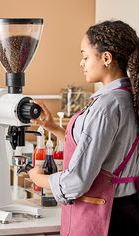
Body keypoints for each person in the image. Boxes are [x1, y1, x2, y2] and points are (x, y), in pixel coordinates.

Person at [28, 20, 139, 236]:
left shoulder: (106, 106)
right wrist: (52, 127)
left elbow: (76, 182)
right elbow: (106, 148)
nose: (82, 63)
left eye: (85, 56)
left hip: (105, 215)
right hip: (128, 210)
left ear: (106, 58)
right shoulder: (128, 98)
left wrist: (38, 178)